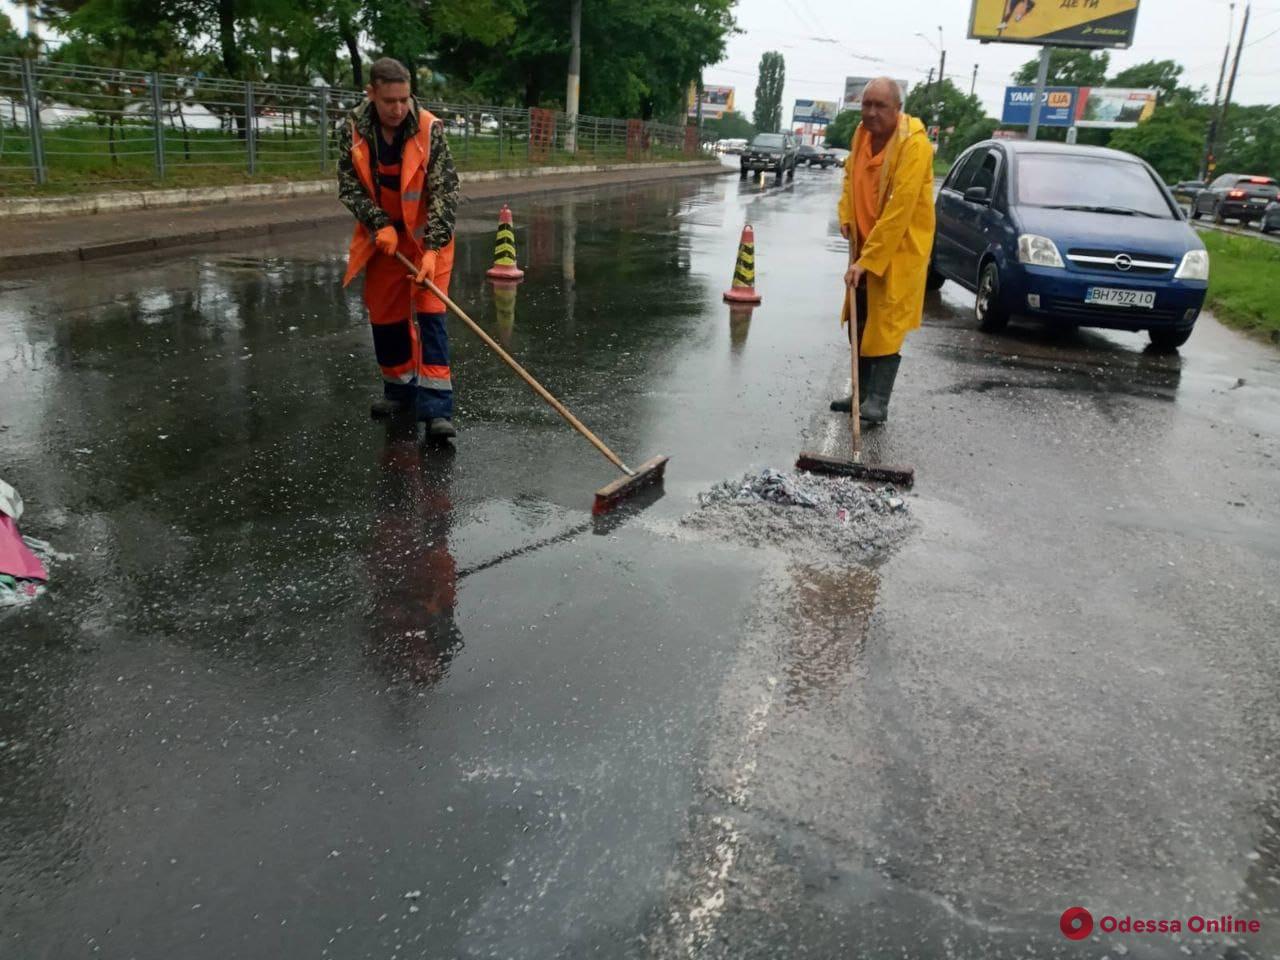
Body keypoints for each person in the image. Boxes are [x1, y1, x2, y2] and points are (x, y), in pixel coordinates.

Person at [338, 57, 461, 440]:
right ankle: (400, 391)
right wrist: (379, 224)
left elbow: (445, 191)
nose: (398, 108)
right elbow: (349, 188)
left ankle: (437, 409)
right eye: (389, 100)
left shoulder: (428, 129)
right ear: (371, 93)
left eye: (404, 99)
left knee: (430, 315)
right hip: (386, 241)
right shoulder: (353, 130)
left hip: (428, 238)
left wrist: (431, 250)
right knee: (386, 315)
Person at [831, 77, 935, 424]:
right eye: (866, 104)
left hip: (898, 248)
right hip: (863, 244)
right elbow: (850, 179)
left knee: (886, 322)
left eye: (880, 106)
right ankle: (858, 393)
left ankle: (877, 402)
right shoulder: (861, 135)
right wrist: (846, 215)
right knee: (859, 320)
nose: (871, 113)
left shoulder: (914, 145)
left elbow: (899, 210)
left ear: (898, 109)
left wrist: (869, 260)